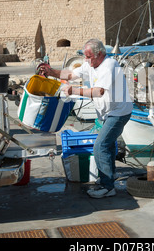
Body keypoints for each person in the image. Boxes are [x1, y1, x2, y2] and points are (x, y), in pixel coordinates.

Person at [39, 39, 132, 198]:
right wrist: (50, 72)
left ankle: (107, 187)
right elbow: (71, 75)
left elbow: (98, 92)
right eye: (85, 57)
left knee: (100, 146)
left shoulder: (109, 66)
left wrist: (74, 91)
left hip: (118, 112)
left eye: (89, 57)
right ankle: (107, 178)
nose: (86, 60)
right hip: (107, 113)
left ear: (100, 54)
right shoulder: (90, 64)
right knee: (107, 146)